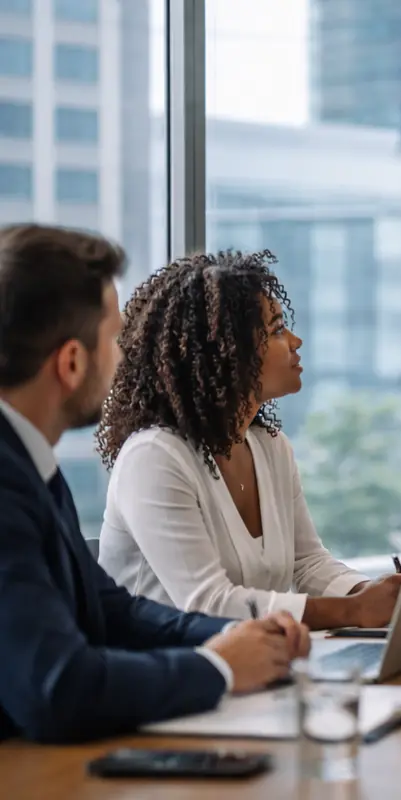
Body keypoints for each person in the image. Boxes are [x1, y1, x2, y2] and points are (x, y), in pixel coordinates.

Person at [0, 224, 308, 743]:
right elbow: (59, 688)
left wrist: (234, 636)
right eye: (115, 340)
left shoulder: (28, 465)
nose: (126, 359)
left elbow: (112, 612)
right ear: (72, 363)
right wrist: (220, 669)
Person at [96, 251, 401, 629]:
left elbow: (308, 564)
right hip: (164, 677)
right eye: (276, 330)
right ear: (223, 351)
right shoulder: (155, 457)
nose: (295, 340)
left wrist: (378, 593)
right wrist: (353, 611)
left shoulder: (270, 446)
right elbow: (207, 603)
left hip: (252, 670)